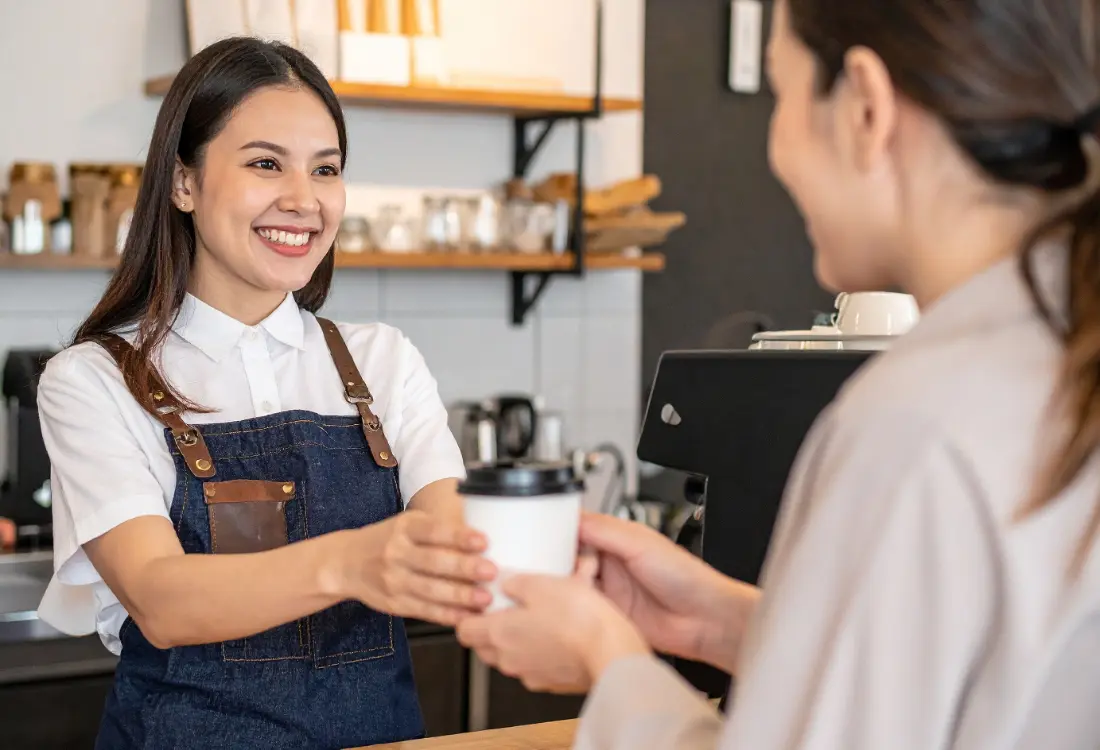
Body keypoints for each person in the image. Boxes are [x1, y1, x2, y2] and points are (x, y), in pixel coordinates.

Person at [456, 0, 1100, 747]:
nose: (774, 145)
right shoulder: (1043, 353)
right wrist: (718, 620)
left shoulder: (917, 421)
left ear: (865, 106)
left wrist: (611, 661)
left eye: (780, 92)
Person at [35, 37, 495, 749]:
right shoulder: (94, 380)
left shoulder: (383, 362)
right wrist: (356, 560)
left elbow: (461, 545)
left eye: (326, 169)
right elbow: (161, 600)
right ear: (183, 183)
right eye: (264, 164)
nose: (303, 200)